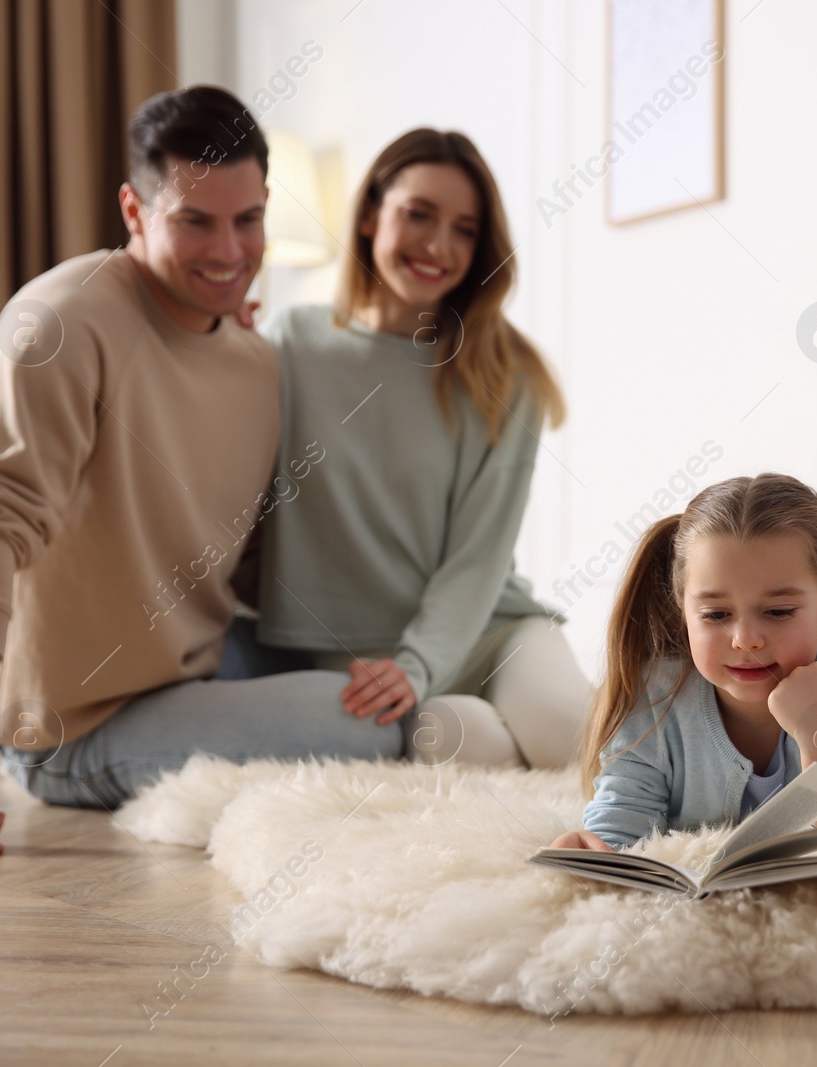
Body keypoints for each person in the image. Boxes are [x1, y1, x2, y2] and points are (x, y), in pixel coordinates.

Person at [0, 86, 405, 855]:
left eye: (248, 220)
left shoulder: (254, 358)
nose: (229, 252)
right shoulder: (58, 323)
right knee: (375, 726)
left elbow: (252, 551)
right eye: (193, 221)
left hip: (190, 662)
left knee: (392, 679)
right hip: (71, 723)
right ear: (134, 212)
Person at [221, 127, 593, 770]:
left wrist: (422, 663)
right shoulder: (291, 344)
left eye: (464, 229)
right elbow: (225, 474)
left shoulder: (508, 374)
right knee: (465, 743)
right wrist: (222, 351)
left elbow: (481, 556)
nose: (438, 246)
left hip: (492, 630)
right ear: (369, 214)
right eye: (417, 214)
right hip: (354, 651)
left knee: (572, 739)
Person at [550, 472, 817, 852]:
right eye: (715, 615)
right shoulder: (652, 695)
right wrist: (596, 852)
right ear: (683, 612)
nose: (745, 640)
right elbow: (621, 828)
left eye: (779, 612)